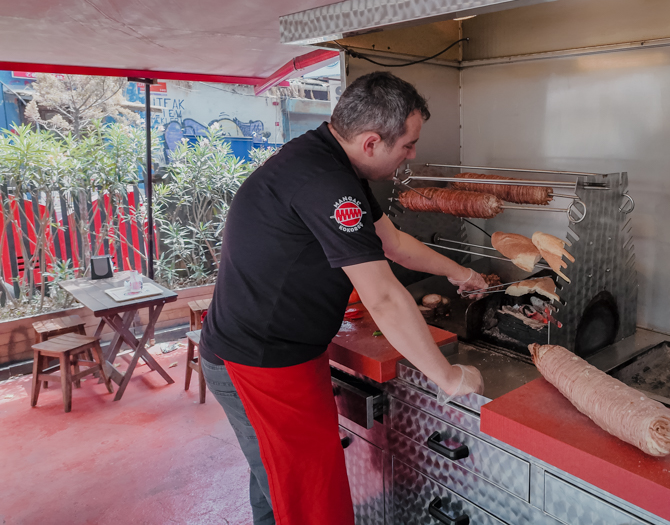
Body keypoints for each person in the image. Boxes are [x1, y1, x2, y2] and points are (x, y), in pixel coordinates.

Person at [199, 71, 487, 525]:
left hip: (271, 353)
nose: (412, 155)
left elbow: (391, 243)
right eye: (408, 145)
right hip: (260, 364)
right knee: (312, 501)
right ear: (372, 143)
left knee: (276, 480)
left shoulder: (326, 159)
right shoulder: (325, 181)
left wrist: (460, 271)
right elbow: (384, 297)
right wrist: (448, 377)